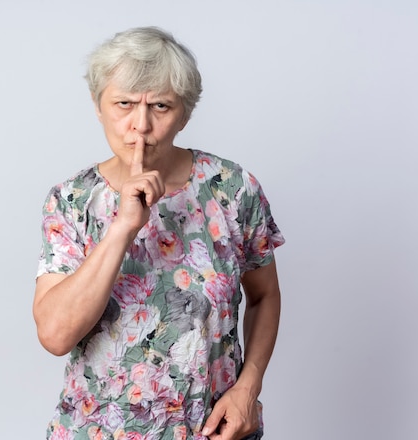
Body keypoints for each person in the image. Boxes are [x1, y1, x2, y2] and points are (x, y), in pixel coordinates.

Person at [33, 26, 285, 440]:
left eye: (161, 106)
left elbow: (265, 295)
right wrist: (124, 226)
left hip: (211, 429)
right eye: (124, 104)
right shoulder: (71, 201)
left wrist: (248, 387)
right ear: (99, 106)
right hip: (97, 430)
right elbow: (56, 335)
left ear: (185, 113)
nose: (141, 125)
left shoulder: (232, 188)